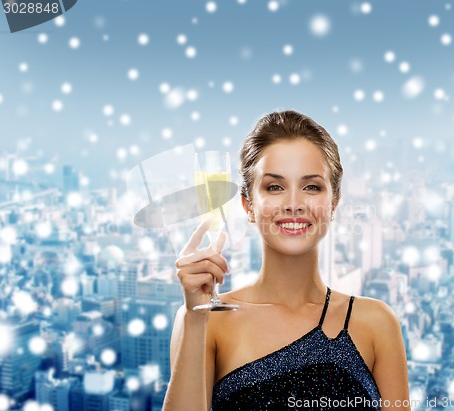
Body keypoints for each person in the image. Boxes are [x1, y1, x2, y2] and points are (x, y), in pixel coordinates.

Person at [162, 110, 410, 410]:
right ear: (248, 205)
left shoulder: (377, 324)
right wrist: (196, 316)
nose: (293, 204)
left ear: (333, 203)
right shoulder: (207, 320)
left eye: (311, 187)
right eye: (275, 187)